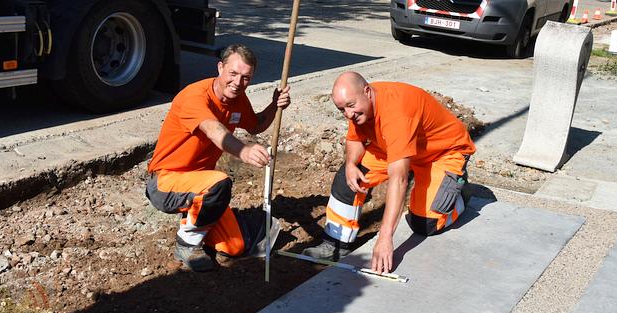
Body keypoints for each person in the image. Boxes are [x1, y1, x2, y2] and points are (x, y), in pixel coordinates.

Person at [303, 71, 475, 274]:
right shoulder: (357, 104)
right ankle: (336, 243)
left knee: (425, 224)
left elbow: (399, 179)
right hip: (393, 148)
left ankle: (459, 195)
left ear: (367, 92)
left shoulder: (397, 113)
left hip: (441, 153)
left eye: (350, 106)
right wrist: (350, 164)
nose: (348, 114)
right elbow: (355, 139)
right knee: (349, 178)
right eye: (342, 109)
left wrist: (385, 238)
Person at [145, 44, 290, 272]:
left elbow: (256, 125)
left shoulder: (238, 99)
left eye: (245, 78)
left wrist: (275, 105)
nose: (238, 82)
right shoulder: (195, 96)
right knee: (219, 183)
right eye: (233, 74)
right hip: (166, 181)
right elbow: (214, 131)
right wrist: (244, 151)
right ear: (220, 67)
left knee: (236, 247)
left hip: (200, 183)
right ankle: (187, 245)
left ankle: (197, 217)